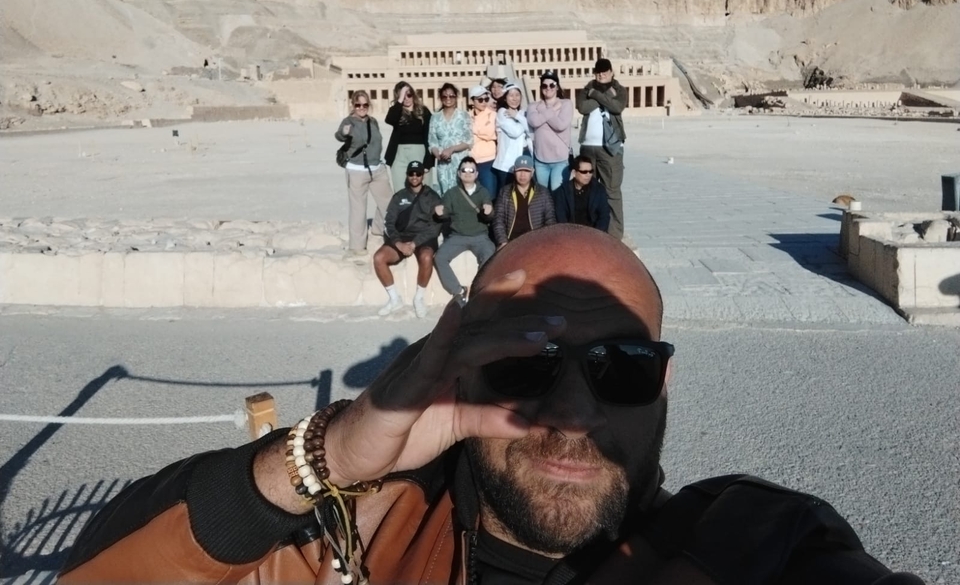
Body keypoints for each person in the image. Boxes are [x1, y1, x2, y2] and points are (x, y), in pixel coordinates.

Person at [58, 226, 926, 585]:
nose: (573, 412)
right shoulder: (340, 542)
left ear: (662, 383)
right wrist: (326, 459)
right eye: (526, 364)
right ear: (457, 373)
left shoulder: (749, 550)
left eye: (620, 366)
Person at [372, 161, 442, 318]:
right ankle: (394, 298)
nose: (415, 176)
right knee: (379, 258)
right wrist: (398, 243)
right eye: (412, 173)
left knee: (426, 257)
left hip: (423, 237)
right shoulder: (399, 197)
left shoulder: (432, 197)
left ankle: (418, 298)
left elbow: (435, 227)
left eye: (418, 173)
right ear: (407, 175)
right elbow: (389, 222)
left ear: (423, 175)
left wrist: (415, 243)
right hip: (402, 236)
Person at [334, 90, 392, 255]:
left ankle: (377, 229)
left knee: (388, 203)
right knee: (358, 209)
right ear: (353, 105)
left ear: (369, 105)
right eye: (358, 105)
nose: (361, 108)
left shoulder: (373, 121)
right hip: (357, 170)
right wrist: (344, 133)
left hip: (377, 169)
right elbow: (340, 135)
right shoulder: (348, 122)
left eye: (364, 104)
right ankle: (357, 247)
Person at [432, 156, 496, 304]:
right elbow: (444, 213)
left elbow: (489, 215)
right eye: (464, 170)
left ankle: (478, 292)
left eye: (471, 170)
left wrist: (488, 211)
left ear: (476, 174)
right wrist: (439, 212)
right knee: (440, 258)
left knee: (489, 255)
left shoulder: (483, 192)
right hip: (457, 237)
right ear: (459, 173)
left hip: (480, 236)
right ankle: (458, 291)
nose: (468, 173)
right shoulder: (451, 193)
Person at [577, 58, 628, 239]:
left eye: (605, 72)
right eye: (598, 72)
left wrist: (596, 95)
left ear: (612, 72)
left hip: (610, 148)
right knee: (587, 189)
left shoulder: (620, 90)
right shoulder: (586, 88)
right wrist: (606, 97)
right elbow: (583, 107)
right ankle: (591, 230)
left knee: (612, 191)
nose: (601, 75)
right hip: (588, 147)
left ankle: (614, 236)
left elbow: (617, 107)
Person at [492, 154, 556, 248]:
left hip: (536, 242)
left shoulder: (543, 192)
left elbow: (550, 220)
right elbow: (498, 219)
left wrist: (544, 242)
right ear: (514, 171)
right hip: (511, 241)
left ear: (532, 172)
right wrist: (503, 242)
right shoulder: (505, 192)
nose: (523, 174)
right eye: (519, 170)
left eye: (526, 171)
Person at [526, 70, 573, 191]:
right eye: (544, 85)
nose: (548, 88)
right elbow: (534, 122)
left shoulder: (566, 103)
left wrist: (544, 111)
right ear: (541, 88)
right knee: (543, 195)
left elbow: (560, 125)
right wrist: (552, 110)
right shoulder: (533, 106)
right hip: (541, 159)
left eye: (552, 85)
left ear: (557, 87)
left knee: (558, 195)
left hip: (560, 159)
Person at [384, 81, 434, 192]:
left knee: (424, 190)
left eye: (409, 94)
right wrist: (399, 100)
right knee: (400, 191)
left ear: (413, 95)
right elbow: (389, 119)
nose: (406, 98)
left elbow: (430, 135)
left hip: (419, 152)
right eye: (402, 96)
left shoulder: (423, 111)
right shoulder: (397, 111)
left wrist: (429, 160)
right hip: (399, 154)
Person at [428, 82, 473, 195]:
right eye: (445, 96)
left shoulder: (463, 115)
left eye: (451, 96)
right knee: (445, 194)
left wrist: (452, 149)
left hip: (460, 161)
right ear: (441, 98)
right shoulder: (435, 117)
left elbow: (469, 141)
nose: (448, 98)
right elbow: (432, 141)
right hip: (443, 164)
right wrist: (438, 154)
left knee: (461, 193)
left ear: (456, 97)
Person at [554, 154, 610, 232]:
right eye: (584, 172)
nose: (588, 175)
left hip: (593, 233)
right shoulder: (562, 192)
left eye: (591, 171)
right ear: (574, 173)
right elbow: (561, 218)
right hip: (570, 234)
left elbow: (604, 216)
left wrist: (597, 234)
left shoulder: (598, 189)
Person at [492, 81, 531, 193]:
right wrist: (523, 120)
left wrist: (518, 116)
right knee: (505, 196)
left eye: (517, 95)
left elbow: (531, 131)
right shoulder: (502, 112)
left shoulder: (521, 113)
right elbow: (515, 131)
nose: (515, 98)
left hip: (520, 161)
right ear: (505, 98)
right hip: (506, 164)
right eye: (511, 95)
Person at [468, 85, 499, 199]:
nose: (484, 102)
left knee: (489, 195)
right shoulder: (467, 116)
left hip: (488, 160)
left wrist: (474, 129)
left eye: (486, 99)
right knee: (473, 195)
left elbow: (491, 133)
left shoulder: (493, 114)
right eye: (480, 100)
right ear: (472, 101)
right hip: (472, 160)